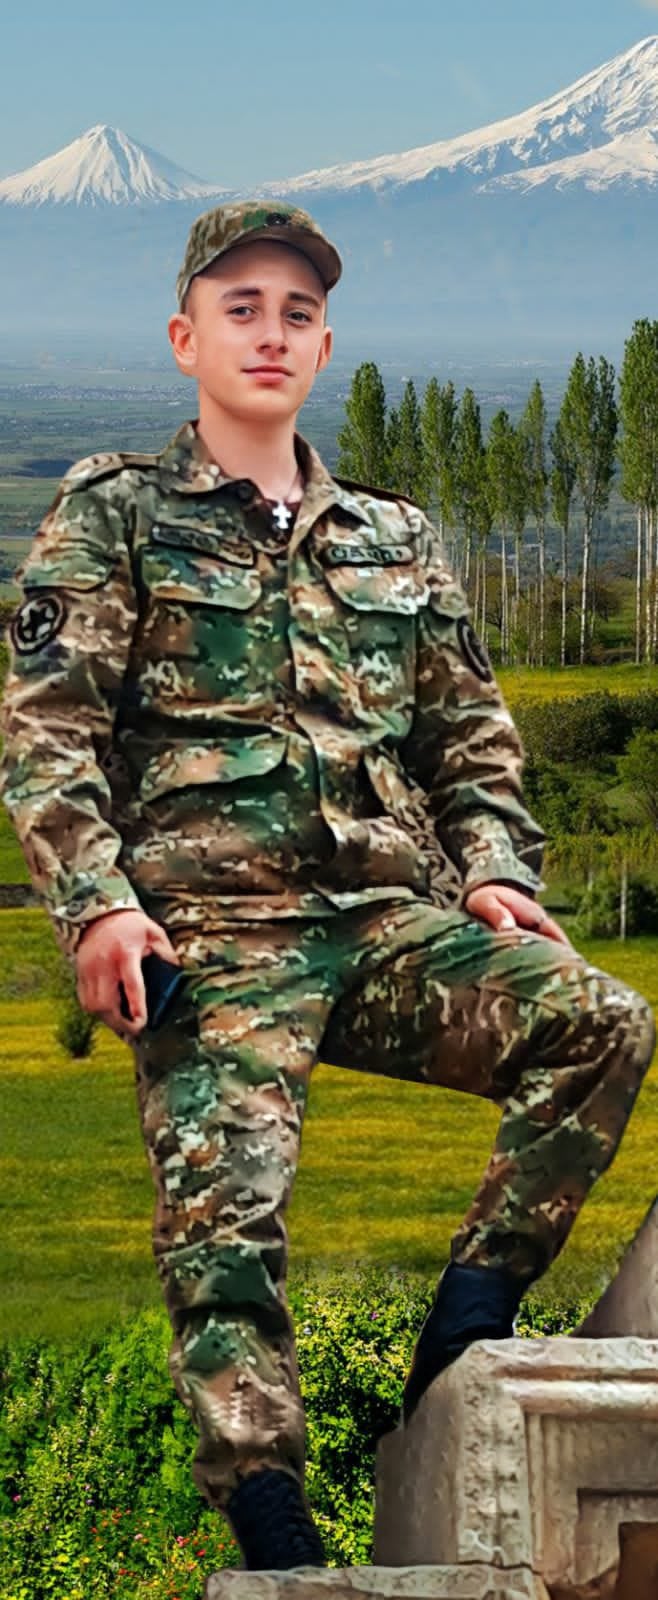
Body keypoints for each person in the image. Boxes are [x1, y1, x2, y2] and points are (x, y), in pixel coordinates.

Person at [0, 199, 654, 1577]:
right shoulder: (118, 512)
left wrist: (495, 874)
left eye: (296, 313)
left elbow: (471, 742)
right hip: (212, 935)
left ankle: (464, 1334)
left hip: (384, 923)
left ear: (324, 346)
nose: (271, 333)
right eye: (240, 308)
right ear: (185, 339)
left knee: (599, 1021)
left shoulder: (394, 536)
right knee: (228, 1220)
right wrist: (99, 905)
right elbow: (46, 731)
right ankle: (271, 1513)